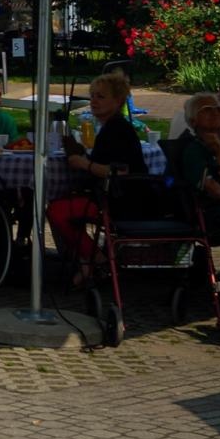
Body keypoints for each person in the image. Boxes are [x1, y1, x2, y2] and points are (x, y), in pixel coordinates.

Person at [47, 71, 149, 282]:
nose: (93, 101)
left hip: (120, 198)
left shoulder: (118, 130)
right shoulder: (110, 127)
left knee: (57, 211)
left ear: (118, 100)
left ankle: (95, 260)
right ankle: (86, 261)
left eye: (101, 97)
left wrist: (85, 163)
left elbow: (120, 171)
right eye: (92, 96)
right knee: (61, 205)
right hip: (110, 195)